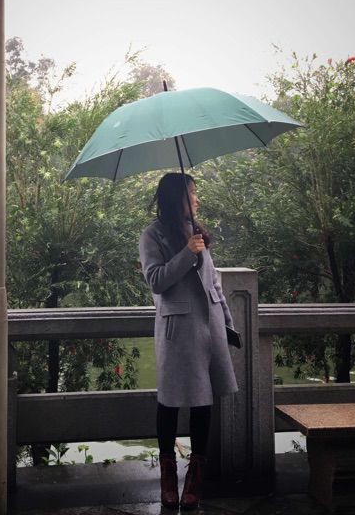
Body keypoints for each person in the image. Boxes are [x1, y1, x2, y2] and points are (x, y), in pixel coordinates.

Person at [138, 172, 238, 510]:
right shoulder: (152, 235)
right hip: (178, 329)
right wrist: (186, 252)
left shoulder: (196, 231)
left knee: (203, 401)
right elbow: (155, 280)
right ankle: (168, 475)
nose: (196, 199)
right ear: (176, 197)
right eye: (192, 193)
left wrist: (228, 324)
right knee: (169, 402)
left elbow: (213, 284)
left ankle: (195, 474)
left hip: (210, 326)